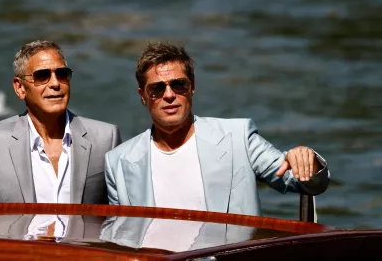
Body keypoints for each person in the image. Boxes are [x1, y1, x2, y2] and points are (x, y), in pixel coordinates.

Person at [105, 42, 329, 216]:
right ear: (143, 96)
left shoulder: (238, 137)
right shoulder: (119, 162)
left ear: (192, 87)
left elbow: (306, 183)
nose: (169, 95)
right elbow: (119, 236)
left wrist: (308, 161)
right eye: (157, 88)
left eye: (178, 84)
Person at [0, 40, 122, 204]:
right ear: (20, 88)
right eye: (42, 76)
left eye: (62, 74)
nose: (55, 83)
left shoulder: (106, 139)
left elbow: (120, 214)